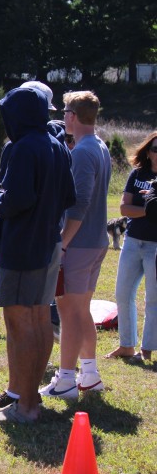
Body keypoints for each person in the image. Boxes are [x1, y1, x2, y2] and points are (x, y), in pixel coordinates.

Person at [0, 85, 75, 422]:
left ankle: (26, 406)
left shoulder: (22, 148)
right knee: (38, 320)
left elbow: (17, 200)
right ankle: (28, 398)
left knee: (21, 325)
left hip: (22, 247)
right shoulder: (57, 145)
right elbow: (68, 196)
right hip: (48, 243)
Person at [41, 91, 111, 400]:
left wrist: (63, 243)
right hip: (95, 241)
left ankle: (66, 379)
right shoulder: (100, 145)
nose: (63, 117)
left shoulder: (82, 151)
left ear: (72, 116)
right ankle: (90, 374)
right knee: (81, 311)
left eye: (65, 112)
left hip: (79, 243)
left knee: (68, 313)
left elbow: (79, 203)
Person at [106, 132, 157, 362]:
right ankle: (126, 346)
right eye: (155, 149)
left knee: (153, 298)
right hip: (133, 242)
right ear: (148, 152)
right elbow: (124, 209)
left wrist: (144, 209)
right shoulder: (137, 174)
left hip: (155, 246)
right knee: (123, 293)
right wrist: (150, 209)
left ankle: (147, 349)